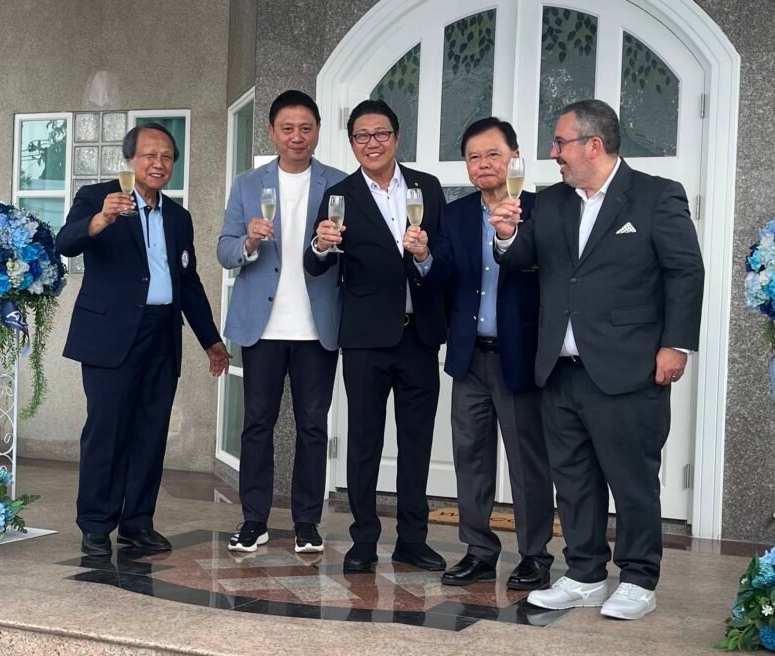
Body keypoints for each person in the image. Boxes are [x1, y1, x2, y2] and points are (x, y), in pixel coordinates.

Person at [494, 99, 704, 619]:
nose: (553, 153)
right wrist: (505, 234)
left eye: (560, 142)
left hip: (629, 367)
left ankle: (638, 578)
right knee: (573, 480)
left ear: (593, 144)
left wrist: (676, 345)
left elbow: (686, 272)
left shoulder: (656, 196)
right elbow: (522, 260)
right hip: (559, 369)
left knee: (631, 480)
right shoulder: (552, 202)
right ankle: (585, 572)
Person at [57, 123, 229, 557]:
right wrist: (99, 220)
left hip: (161, 335)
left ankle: (137, 523)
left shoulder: (177, 216)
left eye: (167, 157)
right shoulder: (98, 196)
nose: (158, 163)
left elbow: (187, 283)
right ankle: (96, 524)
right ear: (130, 160)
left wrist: (211, 339)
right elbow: (65, 242)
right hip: (110, 336)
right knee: (107, 431)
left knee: (151, 433)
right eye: (149, 155)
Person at [405, 117, 554, 591]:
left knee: (527, 461)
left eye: (493, 154)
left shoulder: (543, 210)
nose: (483, 164)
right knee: (470, 457)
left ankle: (534, 555)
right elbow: (443, 274)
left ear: (515, 158)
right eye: (473, 157)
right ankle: (479, 551)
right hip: (470, 357)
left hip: (521, 356)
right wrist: (424, 256)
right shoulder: (456, 213)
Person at [303, 99, 448, 574]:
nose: (372, 143)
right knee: (364, 442)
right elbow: (316, 260)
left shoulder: (427, 187)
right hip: (365, 340)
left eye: (381, 133)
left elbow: (443, 262)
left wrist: (424, 257)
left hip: (420, 336)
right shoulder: (340, 195)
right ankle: (363, 539)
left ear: (397, 137)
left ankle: (413, 539)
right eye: (362, 136)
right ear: (352, 144)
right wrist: (322, 245)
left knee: (416, 442)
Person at [216, 90, 346, 554]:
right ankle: (254, 519)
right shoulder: (248, 184)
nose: (297, 136)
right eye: (287, 128)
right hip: (262, 326)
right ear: (272, 132)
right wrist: (248, 243)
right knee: (257, 423)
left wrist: (332, 246)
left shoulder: (339, 183)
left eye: (305, 128)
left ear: (317, 132)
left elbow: (352, 254)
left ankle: (307, 522)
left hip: (317, 325)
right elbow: (224, 250)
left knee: (313, 425)